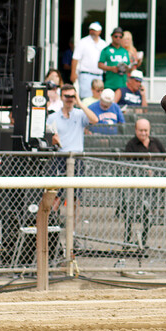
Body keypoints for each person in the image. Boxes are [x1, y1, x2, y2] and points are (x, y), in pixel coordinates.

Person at [48, 84, 100, 230]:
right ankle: (52, 224)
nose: (69, 99)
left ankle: (72, 229)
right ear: (61, 97)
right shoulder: (53, 116)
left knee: (75, 197)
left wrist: (80, 102)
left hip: (76, 158)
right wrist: (53, 139)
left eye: (72, 96)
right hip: (59, 157)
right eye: (67, 96)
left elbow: (94, 120)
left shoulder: (79, 114)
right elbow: (48, 137)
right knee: (55, 194)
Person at [122, 118, 166, 248]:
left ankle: (142, 241)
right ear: (135, 130)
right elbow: (126, 164)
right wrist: (142, 167)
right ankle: (127, 241)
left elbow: (165, 156)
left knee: (148, 217)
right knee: (130, 215)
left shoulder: (156, 142)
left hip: (155, 186)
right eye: (141, 130)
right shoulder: (131, 144)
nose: (144, 133)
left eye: (146, 130)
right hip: (137, 186)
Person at [71, 22, 106, 99]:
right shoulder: (83, 42)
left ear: (99, 31)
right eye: (91, 30)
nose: (93, 32)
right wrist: (73, 73)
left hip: (99, 75)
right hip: (85, 75)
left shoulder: (103, 44)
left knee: (98, 98)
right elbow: (75, 58)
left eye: (95, 30)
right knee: (85, 98)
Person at [98, 27, 131, 92]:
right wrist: (111, 68)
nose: (118, 38)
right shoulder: (106, 50)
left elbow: (128, 66)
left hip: (123, 84)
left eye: (120, 37)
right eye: (116, 36)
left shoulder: (125, 51)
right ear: (112, 37)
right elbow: (100, 65)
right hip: (110, 84)